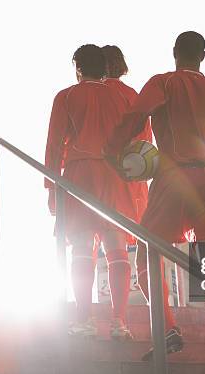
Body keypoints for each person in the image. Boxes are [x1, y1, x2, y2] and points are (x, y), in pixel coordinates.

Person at [105, 31, 205, 374]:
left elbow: (136, 117)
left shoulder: (164, 83)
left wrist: (113, 150)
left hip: (174, 179)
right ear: (204, 55)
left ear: (175, 53)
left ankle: (168, 328)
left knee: (147, 254)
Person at [45, 44, 139, 341]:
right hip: (117, 175)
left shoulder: (68, 96)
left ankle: (84, 319)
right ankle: (119, 322)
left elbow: (55, 143)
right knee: (117, 248)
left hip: (80, 175)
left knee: (83, 248)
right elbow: (140, 141)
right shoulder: (125, 95)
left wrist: (51, 186)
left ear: (78, 68)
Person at [101, 45, 153, 224]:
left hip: (101, 170)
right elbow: (146, 139)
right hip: (132, 169)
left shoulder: (94, 93)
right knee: (134, 231)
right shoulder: (132, 95)